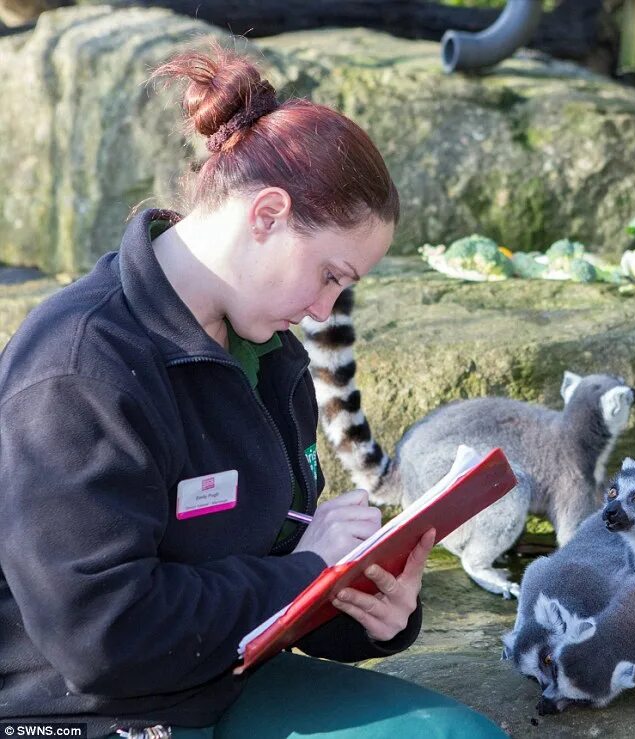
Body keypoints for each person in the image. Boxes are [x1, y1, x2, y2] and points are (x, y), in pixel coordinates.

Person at [0, 44, 507, 739]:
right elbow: (101, 635)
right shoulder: (79, 366)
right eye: (330, 274)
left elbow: (272, 562)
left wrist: (366, 606)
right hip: (84, 714)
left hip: (224, 684)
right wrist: (304, 570)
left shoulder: (273, 358)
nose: (327, 309)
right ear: (266, 214)